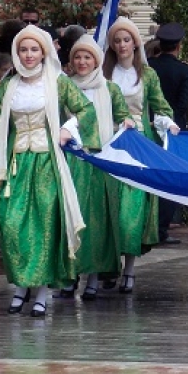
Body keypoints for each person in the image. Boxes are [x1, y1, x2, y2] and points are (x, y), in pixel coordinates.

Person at [0, 26, 97, 317]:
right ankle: (21, 286)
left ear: (44, 51)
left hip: (47, 164)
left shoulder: (57, 81)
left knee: (43, 226)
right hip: (15, 164)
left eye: (34, 49)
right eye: (23, 50)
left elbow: (86, 110)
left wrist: (68, 129)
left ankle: (40, 292)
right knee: (12, 225)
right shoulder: (9, 85)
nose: (28, 55)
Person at [103, 17, 180, 292]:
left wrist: (167, 123)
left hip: (137, 146)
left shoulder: (147, 75)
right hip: (109, 144)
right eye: (117, 41)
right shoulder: (104, 74)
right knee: (108, 208)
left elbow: (160, 107)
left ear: (135, 42)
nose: (122, 45)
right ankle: (108, 265)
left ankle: (131, 268)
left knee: (131, 210)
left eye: (126, 40)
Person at [60, 35, 133, 301]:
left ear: (96, 60)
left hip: (101, 161)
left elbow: (123, 115)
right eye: (77, 57)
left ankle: (93, 277)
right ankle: (69, 277)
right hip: (72, 161)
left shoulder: (109, 88)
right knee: (71, 218)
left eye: (87, 57)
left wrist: (126, 124)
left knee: (97, 221)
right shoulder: (63, 86)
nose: (82, 62)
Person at [148, 22, 188, 245]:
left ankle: (146, 225)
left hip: (147, 126)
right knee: (169, 178)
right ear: (179, 46)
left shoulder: (148, 66)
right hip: (173, 129)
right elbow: (184, 104)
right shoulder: (185, 70)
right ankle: (162, 228)